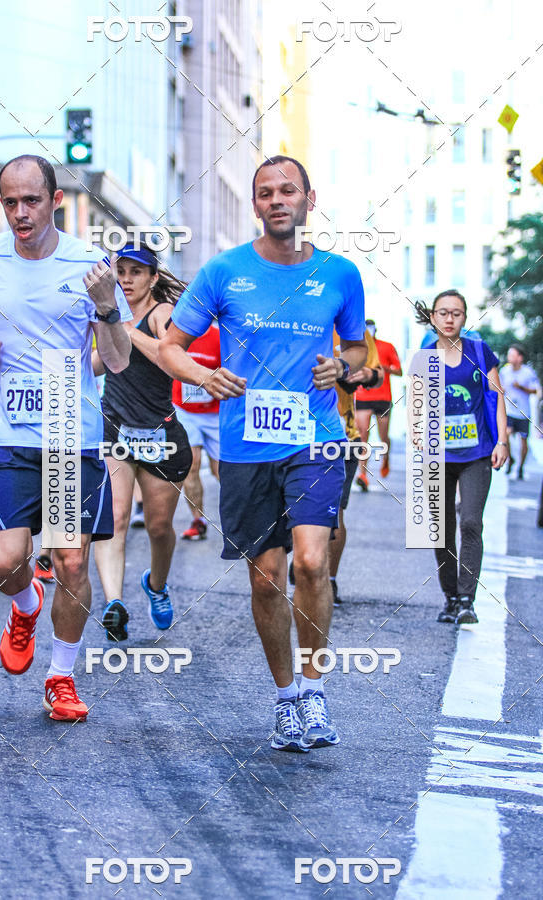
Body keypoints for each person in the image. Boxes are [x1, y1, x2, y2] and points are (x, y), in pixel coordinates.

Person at [158, 155, 367, 752]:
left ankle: (315, 691)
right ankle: (285, 700)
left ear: (309, 198)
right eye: (266, 193)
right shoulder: (224, 272)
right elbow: (171, 345)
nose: (278, 200)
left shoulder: (339, 273)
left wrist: (342, 368)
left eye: (288, 190)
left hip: (315, 434)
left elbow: (357, 350)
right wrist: (202, 376)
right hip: (248, 443)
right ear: (255, 206)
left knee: (309, 562)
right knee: (266, 576)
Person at [0, 154, 131, 721]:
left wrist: (105, 308)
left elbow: (118, 361)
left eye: (31, 201)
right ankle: (26, 605)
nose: (20, 213)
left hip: (70, 434)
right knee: (6, 562)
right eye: (10, 203)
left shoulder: (91, 265)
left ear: (55, 201)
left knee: (72, 561)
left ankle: (61, 677)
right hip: (7, 435)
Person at [93, 243, 192, 642]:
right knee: (115, 519)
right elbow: (97, 364)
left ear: (153, 278)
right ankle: (114, 603)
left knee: (159, 526)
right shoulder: (108, 313)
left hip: (159, 435)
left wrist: (128, 331)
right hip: (114, 427)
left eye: (137, 272)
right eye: (122, 271)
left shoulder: (161, 314)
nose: (127, 279)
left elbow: (172, 358)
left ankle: (156, 584)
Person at [414, 290, 508, 625]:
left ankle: (468, 599)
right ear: (433, 318)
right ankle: (450, 596)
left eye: (456, 313)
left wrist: (502, 441)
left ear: (465, 318)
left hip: (478, 452)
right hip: (438, 456)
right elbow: (417, 406)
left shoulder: (480, 352)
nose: (450, 319)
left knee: (470, 522)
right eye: (443, 313)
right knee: (441, 529)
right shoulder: (424, 357)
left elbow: (497, 398)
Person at [288, 326, 383, 605]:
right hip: (291, 434)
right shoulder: (292, 323)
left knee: (333, 514)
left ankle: (328, 579)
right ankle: (304, 560)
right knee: (292, 508)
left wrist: (366, 374)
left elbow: (376, 374)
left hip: (342, 434)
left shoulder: (353, 331)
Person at [172, 322, 221, 540]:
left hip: (215, 412)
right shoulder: (177, 333)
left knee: (221, 470)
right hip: (184, 410)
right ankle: (198, 520)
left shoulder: (219, 337)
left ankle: (238, 520)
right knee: (191, 466)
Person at [354, 319, 402, 488]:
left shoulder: (387, 347)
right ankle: (363, 474)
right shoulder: (356, 348)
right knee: (362, 437)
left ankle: (386, 458)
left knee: (383, 437)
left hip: (383, 398)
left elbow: (399, 371)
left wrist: (384, 368)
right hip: (362, 396)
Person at [499, 343, 541, 479]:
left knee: (524, 441)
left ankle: (521, 467)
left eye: (513, 354)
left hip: (523, 412)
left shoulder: (528, 372)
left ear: (520, 357)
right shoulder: (504, 371)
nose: (509, 357)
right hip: (509, 411)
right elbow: (498, 387)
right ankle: (510, 459)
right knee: (506, 434)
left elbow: (537, 391)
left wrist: (521, 387)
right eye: (509, 354)